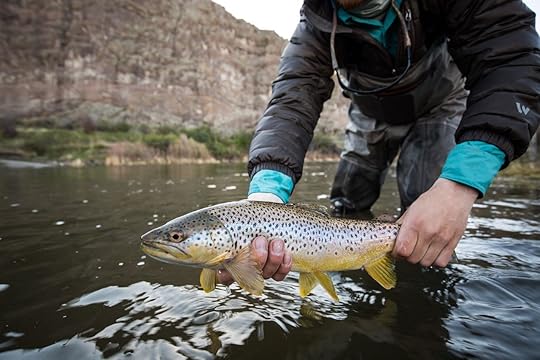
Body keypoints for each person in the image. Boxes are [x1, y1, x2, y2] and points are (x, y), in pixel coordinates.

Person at [217, 0, 539, 285]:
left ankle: (420, 303)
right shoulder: (315, 22)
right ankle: (350, 274)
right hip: (369, 112)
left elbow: (511, 58)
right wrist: (265, 199)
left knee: (424, 213)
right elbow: (291, 103)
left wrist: (459, 184)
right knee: (346, 203)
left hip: (440, 104)